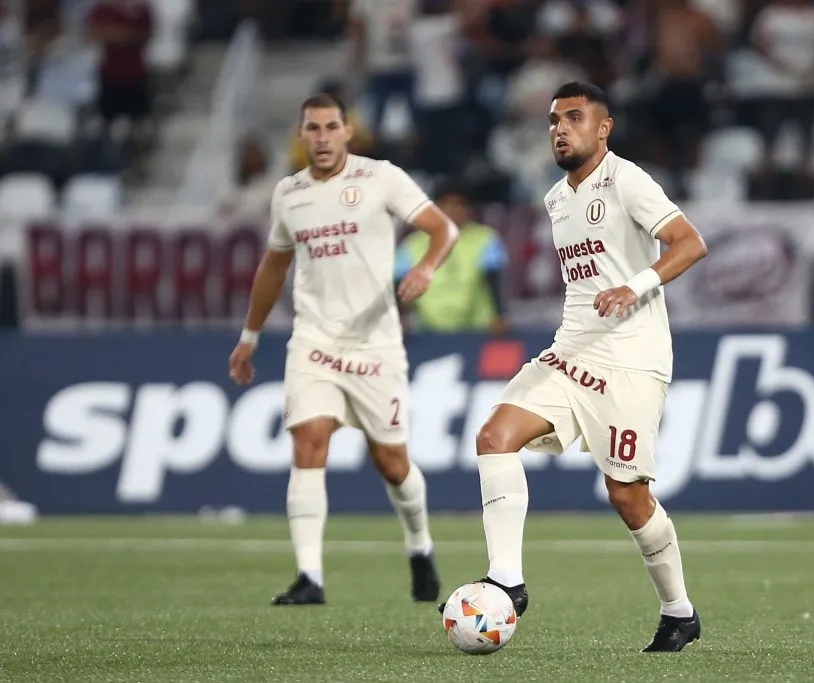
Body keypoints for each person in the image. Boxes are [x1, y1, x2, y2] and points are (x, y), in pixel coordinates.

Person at [440, 81, 709, 652]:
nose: (560, 128)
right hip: (572, 350)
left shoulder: (626, 179)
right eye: (554, 119)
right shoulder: (556, 197)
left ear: (603, 128)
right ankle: (507, 581)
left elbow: (689, 243)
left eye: (575, 117)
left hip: (633, 359)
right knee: (495, 437)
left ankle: (678, 611)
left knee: (627, 495)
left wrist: (632, 288)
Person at [228, 93, 459, 606]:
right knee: (309, 440)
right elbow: (274, 266)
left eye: (332, 126)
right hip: (314, 340)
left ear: (348, 132)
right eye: (313, 128)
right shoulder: (288, 194)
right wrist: (249, 337)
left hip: (376, 346)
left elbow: (444, 228)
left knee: (392, 464)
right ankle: (310, 576)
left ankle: (420, 547)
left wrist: (425, 268)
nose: (324, 136)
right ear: (301, 134)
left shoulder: (381, 178)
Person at [395, 180, 510, 334]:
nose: (453, 210)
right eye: (447, 204)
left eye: (459, 205)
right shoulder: (413, 245)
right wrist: (400, 318)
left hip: (478, 331)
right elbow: (398, 285)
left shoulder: (486, 239)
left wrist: (500, 315)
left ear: (468, 209)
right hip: (428, 333)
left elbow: (495, 281)